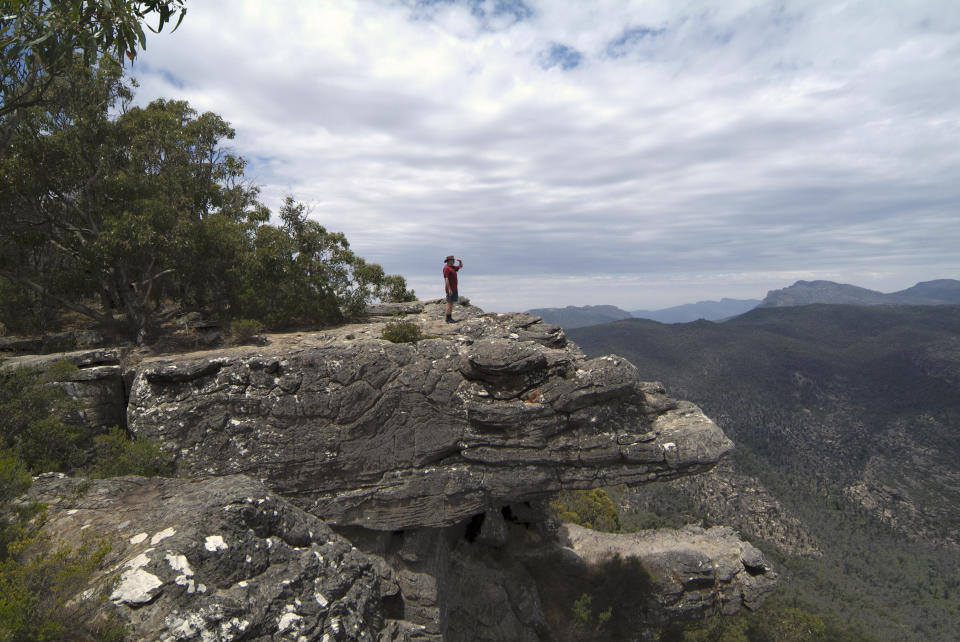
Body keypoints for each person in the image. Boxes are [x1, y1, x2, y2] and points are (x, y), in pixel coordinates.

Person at [442, 255, 463, 323]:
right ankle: (448, 318)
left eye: (453, 260)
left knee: (451, 303)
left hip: (454, 288)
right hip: (450, 288)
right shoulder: (446, 268)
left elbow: (460, 266)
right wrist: (449, 289)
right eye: (452, 260)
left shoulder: (452, 267)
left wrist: (460, 262)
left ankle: (449, 317)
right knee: (449, 303)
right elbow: (446, 279)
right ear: (448, 261)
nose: (453, 261)